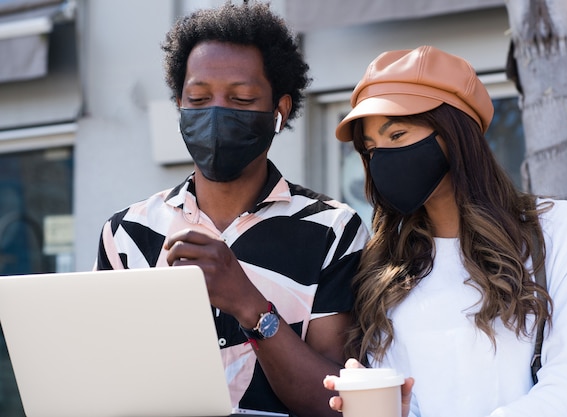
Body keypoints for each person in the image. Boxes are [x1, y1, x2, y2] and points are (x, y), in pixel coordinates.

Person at [95, 2, 369, 416]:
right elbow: (105, 378)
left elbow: (337, 403)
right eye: (198, 98)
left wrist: (248, 304)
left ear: (280, 111)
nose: (216, 114)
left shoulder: (333, 230)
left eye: (241, 99)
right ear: (179, 107)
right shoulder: (127, 233)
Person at [323, 45, 567, 416]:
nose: (382, 160)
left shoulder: (563, 230)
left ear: (453, 133)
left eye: (397, 136)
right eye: (372, 148)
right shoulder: (385, 261)